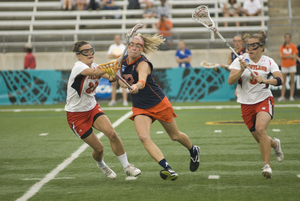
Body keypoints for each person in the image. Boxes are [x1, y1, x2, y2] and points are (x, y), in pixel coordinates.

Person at [118, 33, 200, 180]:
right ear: (128, 45)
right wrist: (120, 82)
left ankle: (193, 150)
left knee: (175, 136)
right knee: (143, 137)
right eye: (133, 45)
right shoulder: (121, 60)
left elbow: (142, 81)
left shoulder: (143, 64)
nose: (135, 48)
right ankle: (167, 168)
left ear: (142, 49)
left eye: (139, 46)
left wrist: (136, 86)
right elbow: (119, 77)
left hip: (158, 103)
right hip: (140, 107)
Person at [65, 41, 141, 179]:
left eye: (91, 50)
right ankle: (102, 165)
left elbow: (111, 77)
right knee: (99, 149)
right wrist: (116, 61)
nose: (90, 53)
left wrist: (117, 79)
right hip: (76, 115)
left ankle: (127, 166)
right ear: (78, 56)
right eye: (85, 51)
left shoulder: (95, 66)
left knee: (112, 134)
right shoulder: (79, 67)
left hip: (92, 108)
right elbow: (95, 72)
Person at [228, 31, 284, 179]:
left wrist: (265, 81)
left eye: (254, 46)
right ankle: (275, 144)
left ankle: (267, 166)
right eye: (249, 46)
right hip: (246, 104)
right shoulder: (241, 60)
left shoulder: (268, 61)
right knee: (261, 138)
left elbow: (280, 80)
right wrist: (241, 69)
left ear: (262, 47)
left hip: (264, 100)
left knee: (260, 129)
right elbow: (230, 81)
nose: (250, 49)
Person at [107, 34, 128, 106]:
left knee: (123, 83)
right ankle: (113, 100)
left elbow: (124, 56)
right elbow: (109, 56)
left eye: (118, 38)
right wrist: (118, 55)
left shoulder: (123, 47)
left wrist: (115, 55)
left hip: (120, 66)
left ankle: (125, 100)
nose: (117, 40)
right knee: (113, 84)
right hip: (113, 67)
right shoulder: (112, 46)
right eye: (116, 38)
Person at [278, 33, 299, 102]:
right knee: (283, 81)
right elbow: (281, 56)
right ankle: (282, 96)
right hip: (284, 65)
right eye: (286, 37)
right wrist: (290, 55)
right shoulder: (282, 46)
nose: (287, 39)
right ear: (285, 38)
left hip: (292, 65)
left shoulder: (293, 46)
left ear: (290, 38)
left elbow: (294, 56)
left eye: (288, 37)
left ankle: (291, 96)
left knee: (292, 81)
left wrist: (286, 56)